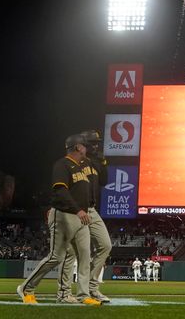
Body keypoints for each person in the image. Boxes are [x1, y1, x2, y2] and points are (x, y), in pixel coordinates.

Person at [17, 134, 101, 306]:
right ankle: (26, 288)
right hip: (64, 215)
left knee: (85, 257)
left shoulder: (81, 167)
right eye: (84, 146)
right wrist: (78, 210)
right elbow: (60, 191)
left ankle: (82, 295)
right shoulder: (62, 164)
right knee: (56, 257)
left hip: (82, 217)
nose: (87, 149)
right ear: (78, 147)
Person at [57, 130, 112, 303]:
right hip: (75, 210)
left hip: (91, 210)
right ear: (83, 145)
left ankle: (91, 287)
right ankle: (64, 293)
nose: (96, 146)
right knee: (71, 252)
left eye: (97, 143)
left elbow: (104, 181)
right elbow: (64, 186)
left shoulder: (94, 163)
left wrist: (103, 162)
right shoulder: (75, 161)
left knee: (105, 245)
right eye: (93, 143)